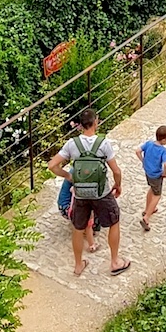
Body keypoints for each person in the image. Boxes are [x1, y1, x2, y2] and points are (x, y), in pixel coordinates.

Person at [49, 106, 130, 277]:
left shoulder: (72, 144)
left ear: (80, 125)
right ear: (96, 122)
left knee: (78, 228)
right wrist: (118, 185)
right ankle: (115, 262)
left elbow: (52, 165)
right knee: (114, 222)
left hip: (80, 194)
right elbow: (116, 171)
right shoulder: (103, 144)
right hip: (101, 193)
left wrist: (69, 177)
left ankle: (78, 265)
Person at [135, 125, 166, 232]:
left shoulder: (148, 144)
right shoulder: (163, 150)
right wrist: (164, 173)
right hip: (156, 175)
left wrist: (143, 161)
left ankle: (148, 209)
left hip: (148, 172)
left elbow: (137, 151)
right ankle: (146, 217)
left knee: (152, 189)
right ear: (164, 139)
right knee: (157, 195)